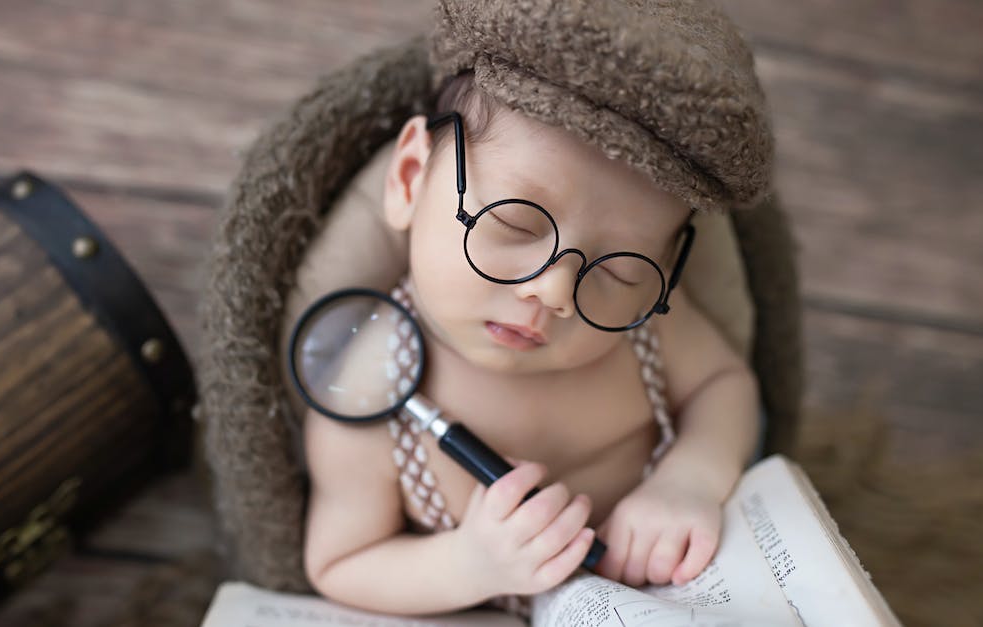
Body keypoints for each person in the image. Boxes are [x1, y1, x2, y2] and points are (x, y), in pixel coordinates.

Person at [300, 0, 773, 616]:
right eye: (514, 223)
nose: (552, 292)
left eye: (620, 268)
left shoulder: (645, 329)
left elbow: (726, 382)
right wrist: (469, 564)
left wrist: (692, 477)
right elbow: (339, 563)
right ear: (410, 178)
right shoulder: (372, 387)